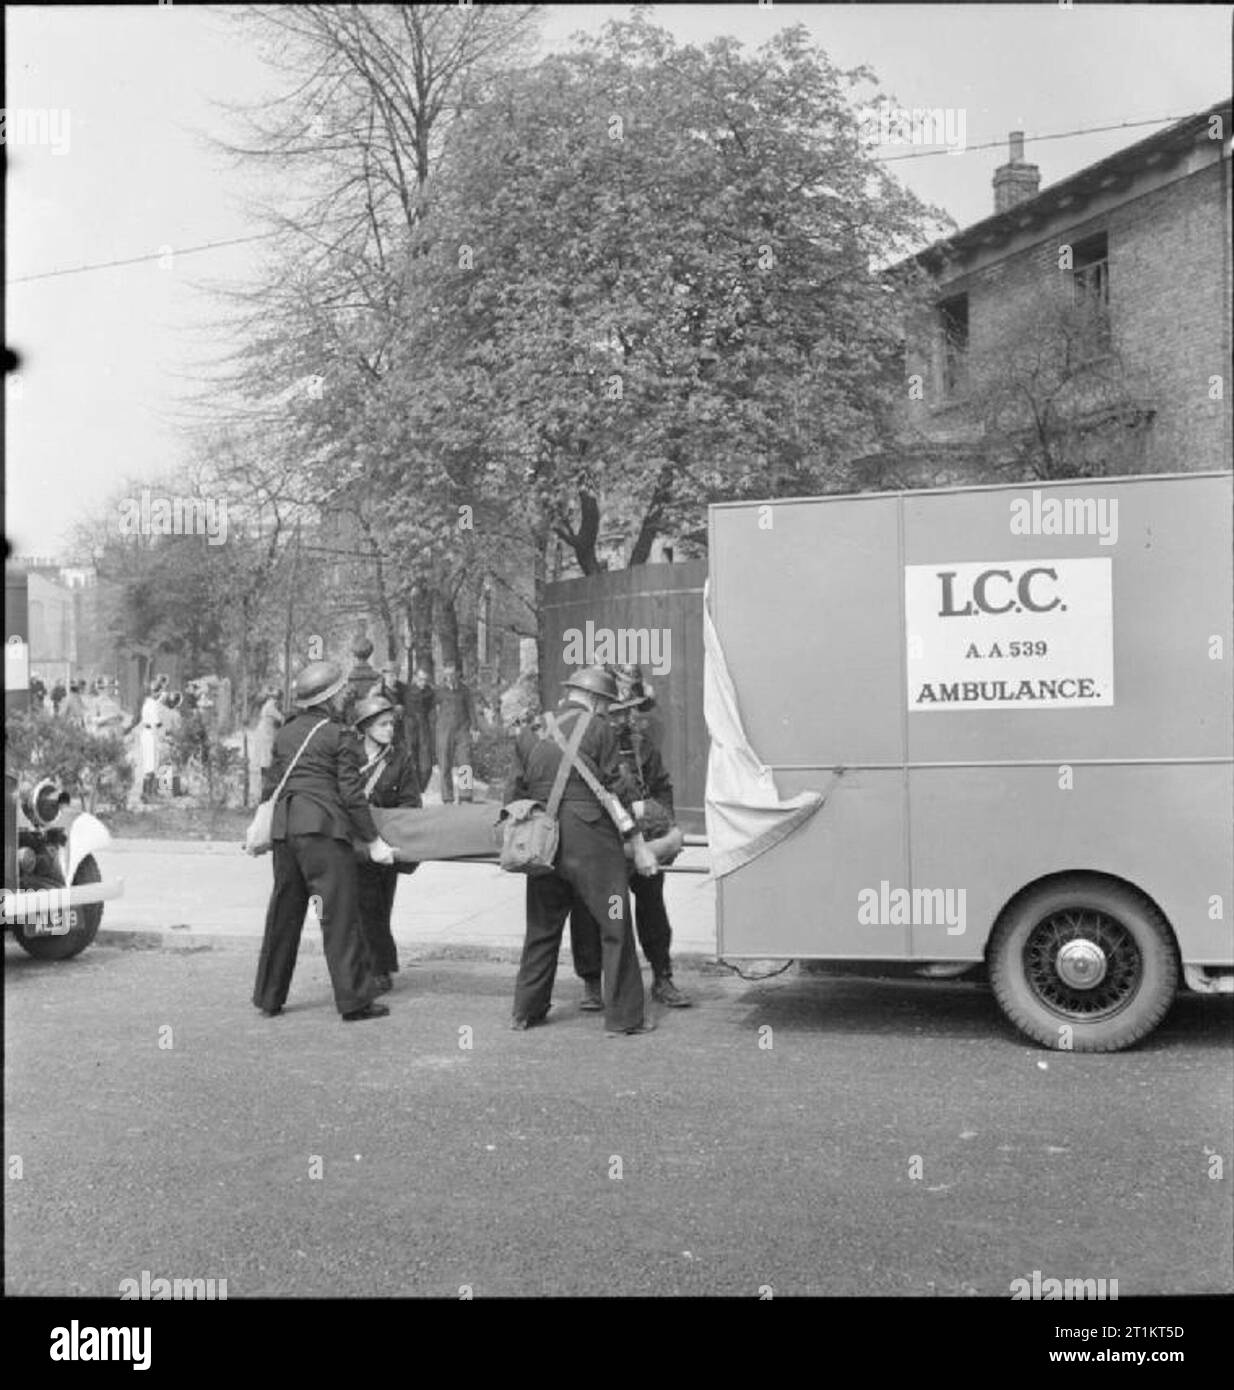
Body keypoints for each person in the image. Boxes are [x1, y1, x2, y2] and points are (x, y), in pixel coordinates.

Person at [504, 664, 661, 1037]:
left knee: (542, 928)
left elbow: (514, 794)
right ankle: (624, 1018)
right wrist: (639, 845)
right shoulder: (599, 729)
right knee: (616, 923)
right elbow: (618, 791)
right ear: (594, 699)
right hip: (593, 848)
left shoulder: (532, 730)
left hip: (545, 845)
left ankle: (526, 1012)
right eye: (605, 703)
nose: (606, 710)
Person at [252, 659, 398, 1022]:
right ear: (332, 698)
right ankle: (354, 1002)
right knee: (339, 916)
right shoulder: (339, 735)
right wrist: (373, 840)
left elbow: (271, 784)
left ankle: (269, 998)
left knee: (284, 914)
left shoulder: (285, 733)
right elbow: (351, 794)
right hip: (324, 833)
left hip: (286, 831)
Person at [569, 668, 692, 1009]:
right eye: (618, 709)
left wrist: (661, 824)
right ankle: (592, 983)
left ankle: (662, 976)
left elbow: (662, 787)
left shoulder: (641, 747)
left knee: (652, 906)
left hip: (641, 842)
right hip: (599, 839)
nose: (624, 717)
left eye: (629, 709)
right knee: (587, 911)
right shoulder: (586, 740)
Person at [352, 693, 422, 993]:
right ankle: (366, 967)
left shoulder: (400, 759)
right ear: (366, 727)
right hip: (352, 843)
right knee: (356, 908)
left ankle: (380, 967)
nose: (389, 729)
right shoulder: (348, 756)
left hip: (383, 846)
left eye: (391, 724)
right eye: (382, 724)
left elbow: (410, 803)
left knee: (379, 908)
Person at [434, 663, 477, 803]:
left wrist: (474, 727)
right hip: (444, 731)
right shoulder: (439, 691)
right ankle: (447, 797)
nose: (450, 677)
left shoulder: (464, 690)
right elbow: (429, 709)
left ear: (458, 674)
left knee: (465, 762)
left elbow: (471, 709)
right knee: (445, 764)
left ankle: (465, 796)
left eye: (452, 674)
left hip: (462, 730)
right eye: (447, 675)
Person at [403, 667, 436, 793]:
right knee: (411, 755)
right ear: (415, 678)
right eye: (421, 679)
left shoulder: (431, 692)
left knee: (427, 762)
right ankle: (413, 787)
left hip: (424, 726)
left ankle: (466, 793)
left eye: (425, 680)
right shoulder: (406, 691)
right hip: (410, 725)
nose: (423, 682)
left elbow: (433, 708)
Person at [137, 681, 164, 801]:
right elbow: (156, 723)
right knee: (151, 764)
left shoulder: (148, 702)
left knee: (150, 763)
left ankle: (150, 792)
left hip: (147, 733)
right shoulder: (153, 704)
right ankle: (147, 794)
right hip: (151, 733)